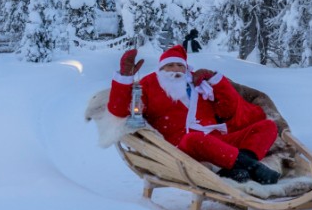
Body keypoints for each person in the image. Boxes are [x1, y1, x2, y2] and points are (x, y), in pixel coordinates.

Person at [106, 44, 282, 185]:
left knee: (268, 126)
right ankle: (254, 168)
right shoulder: (148, 85)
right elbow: (118, 110)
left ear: (186, 68)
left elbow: (228, 111)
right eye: (169, 65)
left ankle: (236, 169)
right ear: (161, 68)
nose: (175, 69)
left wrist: (214, 79)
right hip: (183, 146)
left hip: (219, 143)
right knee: (195, 139)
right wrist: (124, 77)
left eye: (179, 65)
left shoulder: (199, 85)